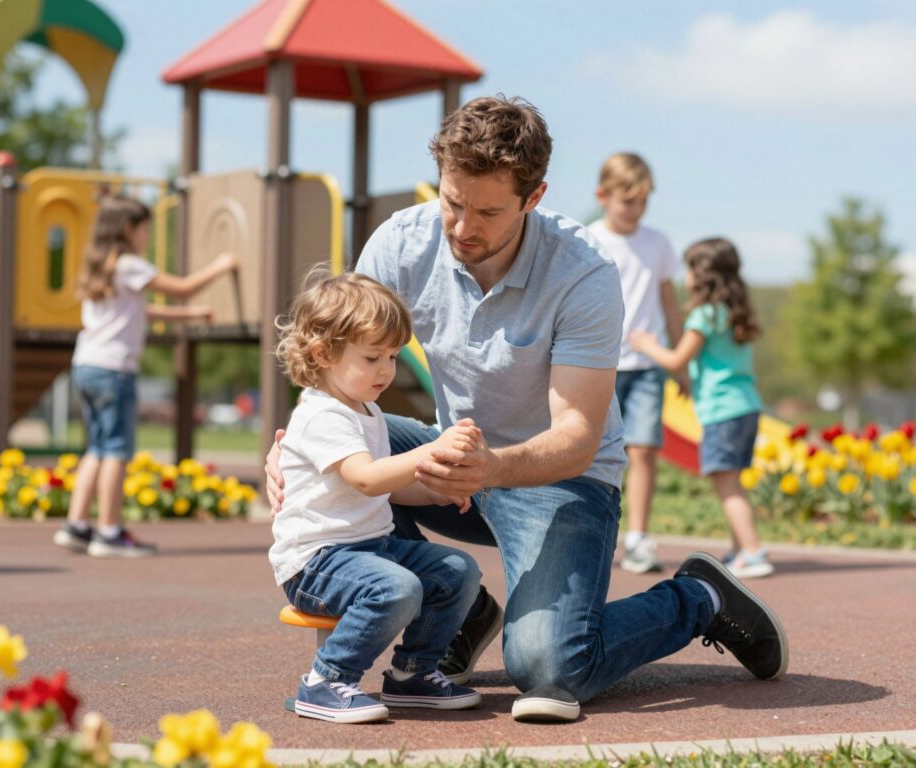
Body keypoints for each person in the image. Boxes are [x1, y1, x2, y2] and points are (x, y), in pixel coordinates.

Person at [266, 97, 788, 722]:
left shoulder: (582, 273)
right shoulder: (402, 245)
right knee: (343, 464)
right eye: (452, 202)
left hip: (559, 478)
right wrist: (297, 444)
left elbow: (577, 437)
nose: (462, 227)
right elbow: (338, 359)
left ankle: (699, 597)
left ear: (534, 198)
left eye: (487, 212)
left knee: (548, 670)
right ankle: (458, 604)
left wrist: (488, 468)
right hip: (459, 455)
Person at [271, 271, 484, 723]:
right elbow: (366, 478)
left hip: (370, 547)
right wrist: (430, 450)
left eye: (392, 356)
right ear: (322, 353)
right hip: (317, 562)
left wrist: (437, 492)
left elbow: (392, 489)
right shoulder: (322, 415)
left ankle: (412, 673)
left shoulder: (366, 410)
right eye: (372, 357)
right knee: (397, 587)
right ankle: (325, 681)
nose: (386, 370)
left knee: (457, 571)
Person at [53, 195, 238, 557]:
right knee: (117, 452)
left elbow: (140, 310)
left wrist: (190, 316)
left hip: (86, 365)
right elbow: (181, 288)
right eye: (144, 230)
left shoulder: (100, 267)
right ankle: (108, 532)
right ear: (128, 229)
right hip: (114, 370)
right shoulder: (129, 264)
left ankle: (76, 525)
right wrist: (221, 265)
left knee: (97, 447)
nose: (146, 237)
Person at [631, 237, 773, 578]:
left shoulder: (704, 315)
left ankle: (753, 552)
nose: (685, 276)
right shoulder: (732, 312)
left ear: (704, 275)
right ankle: (739, 551)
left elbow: (677, 357)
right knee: (733, 482)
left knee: (727, 486)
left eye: (690, 268)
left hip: (723, 412)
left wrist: (647, 345)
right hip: (746, 407)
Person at [588, 152, 684, 574]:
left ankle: (639, 539)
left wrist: (680, 359)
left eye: (642, 201)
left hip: (646, 366)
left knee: (644, 450)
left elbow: (669, 300)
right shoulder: (588, 238)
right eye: (627, 201)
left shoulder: (658, 243)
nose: (636, 210)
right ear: (603, 196)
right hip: (598, 363)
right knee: (590, 450)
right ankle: (590, 533)